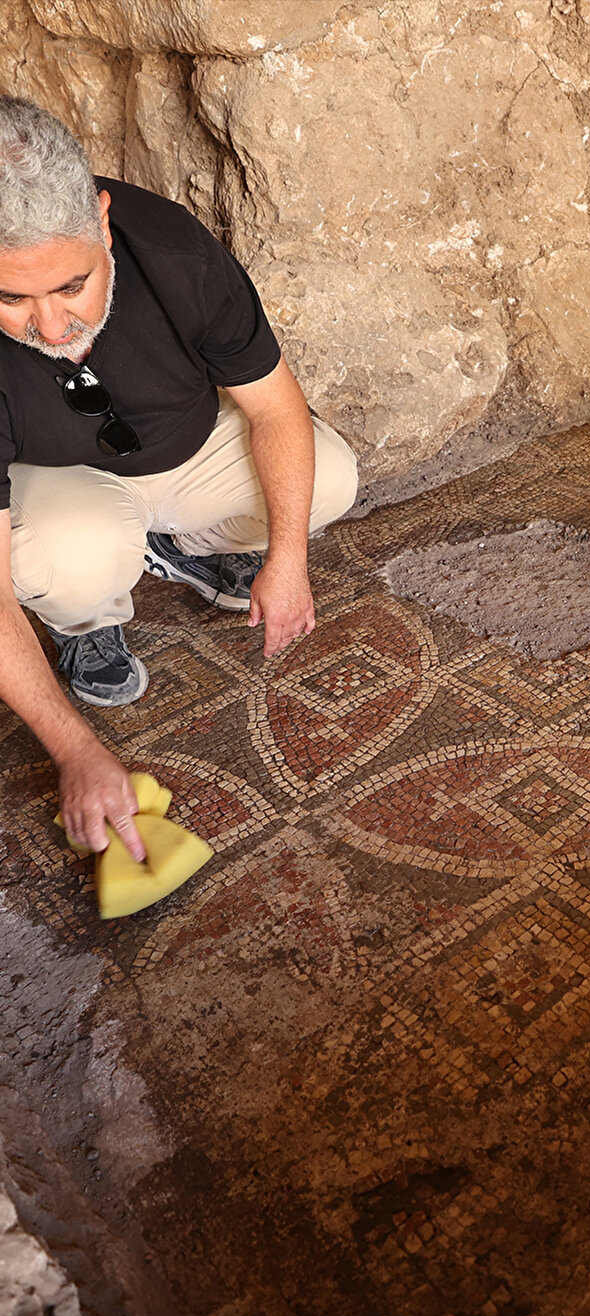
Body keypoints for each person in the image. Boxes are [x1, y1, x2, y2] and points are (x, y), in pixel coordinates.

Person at [0, 97, 358, 859]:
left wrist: (289, 560)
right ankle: (86, 620)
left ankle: (177, 546)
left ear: (102, 223)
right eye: (10, 298)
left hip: (185, 452)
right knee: (70, 562)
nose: (52, 327)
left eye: (71, 286)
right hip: (59, 483)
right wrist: (75, 750)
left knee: (330, 477)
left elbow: (277, 411)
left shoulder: (170, 246)